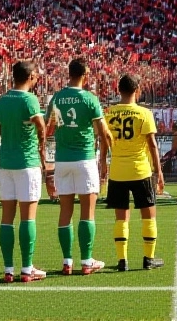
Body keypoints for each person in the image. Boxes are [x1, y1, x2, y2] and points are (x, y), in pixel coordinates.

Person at [46, 57, 111, 275]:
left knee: (65, 212)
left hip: (62, 160)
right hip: (84, 159)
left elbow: (48, 128)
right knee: (88, 212)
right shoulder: (90, 99)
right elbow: (102, 132)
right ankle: (86, 261)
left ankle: (67, 262)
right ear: (85, 75)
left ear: (69, 73)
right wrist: (103, 160)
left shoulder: (57, 97)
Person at [0, 60, 49, 282]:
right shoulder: (30, 100)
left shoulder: (1, 101)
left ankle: (8, 269)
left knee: (7, 217)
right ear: (30, 77)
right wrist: (41, 149)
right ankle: (27, 269)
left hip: (6, 163)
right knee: (27, 217)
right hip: (27, 163)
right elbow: (41, 127)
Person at [103, 73, 165, 272]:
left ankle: (122, 260)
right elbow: (153, 145)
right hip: (140, 171)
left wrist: (102, 164)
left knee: (121, 218)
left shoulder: (109, 113)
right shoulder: (143, 113)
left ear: (118, 90)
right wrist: (159, 171)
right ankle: (148, 258)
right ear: (137, 90)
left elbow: (103, 142)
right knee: (148, 215)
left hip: (118, 172)